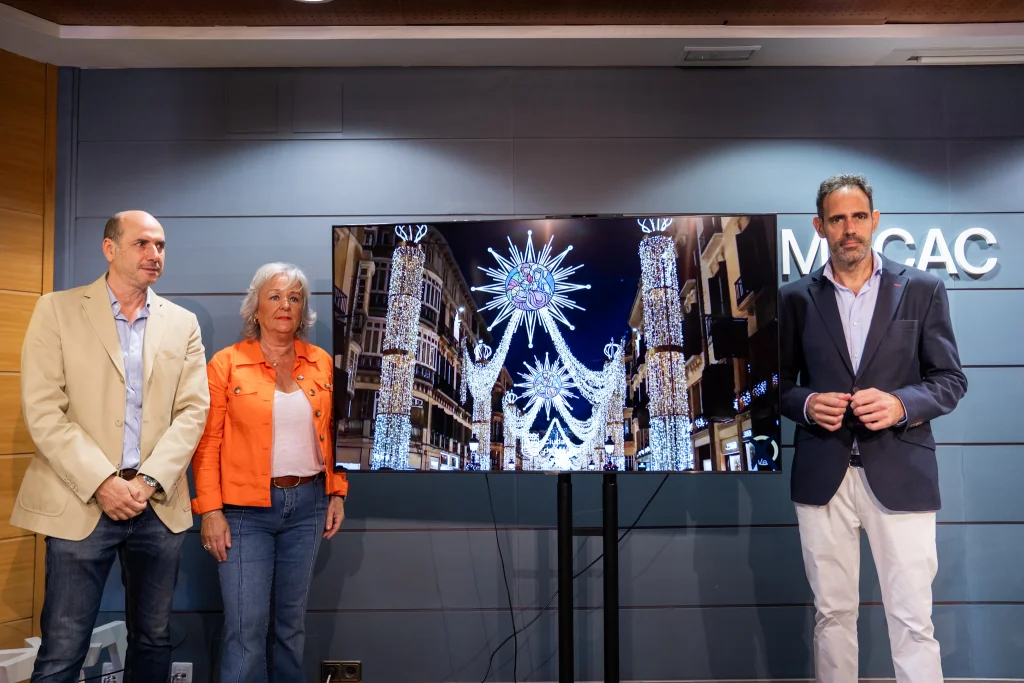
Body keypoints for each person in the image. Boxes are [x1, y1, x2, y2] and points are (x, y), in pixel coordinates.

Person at [779, 174, 968, 683]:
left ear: (875, 220)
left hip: (901, 472)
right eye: (837, 219)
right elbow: (779, 386)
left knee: (912, 620)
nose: (849, 230)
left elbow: (950, 380)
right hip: (824, 477)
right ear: (820, 227)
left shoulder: (923, 289)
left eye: (858, 217)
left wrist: (901, 404)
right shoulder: (794, 298)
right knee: (832, 616)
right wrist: (808, 402)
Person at [15, 210, 210, 682]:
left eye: (161, 246)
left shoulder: (182, 324)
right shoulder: (56, 310)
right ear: (110, 248)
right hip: (79, 500)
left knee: (154, 639)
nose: (154, 254)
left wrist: (145, 482)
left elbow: (192, 411)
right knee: (63, 646)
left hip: (155, 504)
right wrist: (103, 481)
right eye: (143, 243)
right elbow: (43, 410)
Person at [191, 262, 348, 682]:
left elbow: (335, 436)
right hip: (243, 512)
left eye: (294, 298)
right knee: (245, 628)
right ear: (255, 307)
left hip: (309, 506)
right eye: (274, 296)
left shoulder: (321, 364)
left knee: (290, 625)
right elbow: (206, 445)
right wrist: (210, 510)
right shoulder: (226, 364)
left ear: (303, 312)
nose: (285, 305)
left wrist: (337, 493)